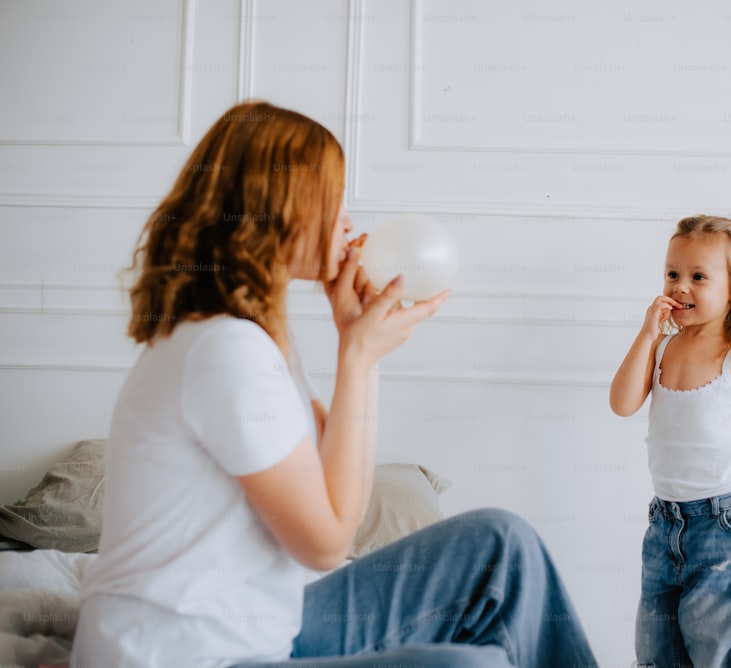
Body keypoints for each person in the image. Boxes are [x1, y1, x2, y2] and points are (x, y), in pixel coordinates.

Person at [71, 100, 597, 668]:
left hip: (258, 633)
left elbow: (336, 476)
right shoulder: (226, 351)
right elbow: (327, 544)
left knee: (501, 543)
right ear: (278, 209)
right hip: (186, 657)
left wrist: (357, 345)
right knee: (471, 667)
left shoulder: (255, 340)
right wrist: (360, 358)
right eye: (334, 200)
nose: (349, 221)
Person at [609, 215, 731, 668]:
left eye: (698, 277)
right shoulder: (663, 348)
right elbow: (622, 403)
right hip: (666, 524)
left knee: (716, 646)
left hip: (728, 525)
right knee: (656, 645)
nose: (681, 286)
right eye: (673, 274)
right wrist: (648, 333)